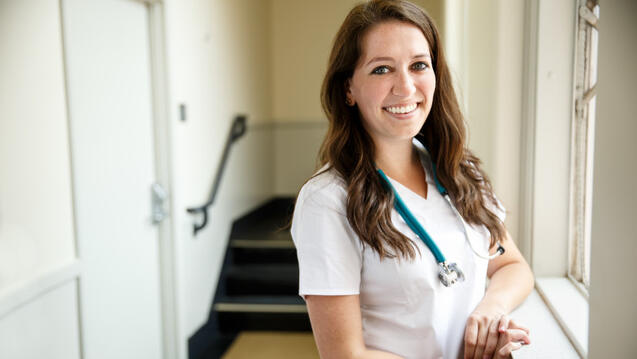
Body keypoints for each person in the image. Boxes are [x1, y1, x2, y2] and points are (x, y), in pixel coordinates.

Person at [290, 1, 535, 358]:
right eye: (381, 70)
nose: (405, 88)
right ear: (348, 89)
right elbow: (345, 356)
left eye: (419, 65)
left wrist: (490, 310)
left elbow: (512, 265)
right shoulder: (327, 201)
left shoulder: (459, 171)